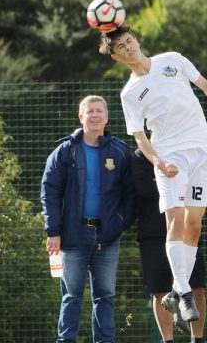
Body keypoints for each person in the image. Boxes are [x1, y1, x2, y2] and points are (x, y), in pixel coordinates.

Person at [99, 25, 207, 324]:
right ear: (116, 57)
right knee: (176, 219)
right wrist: (158, 162)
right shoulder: (129, 93)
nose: (129, 47)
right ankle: (182, 290)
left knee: (194, 225)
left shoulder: (173, 59)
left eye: (130, 41)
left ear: (136, 40)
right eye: (122, 47)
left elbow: (206, 86)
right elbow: (139, 137)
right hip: (170, 157)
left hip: (200, 149)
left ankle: (177, 293)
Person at [40, 95, 136, 343]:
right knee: (71, 297)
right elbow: (49, 191)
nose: (95, 115)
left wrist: (119, 223)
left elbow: (131, 194)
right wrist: (53, 231)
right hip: (71, 238)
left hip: (107, 238)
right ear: (81, 117)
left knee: (104, 297)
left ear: (106, 117)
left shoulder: (120, 152)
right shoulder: (65, 151)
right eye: (89, 111)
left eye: (99, 111)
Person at [133, 148, 207, 343]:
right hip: (153, 234)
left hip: (186, 233)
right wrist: (177, 182)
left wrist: (176, 182)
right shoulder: (141, 156)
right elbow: (145, 189)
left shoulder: (187, 150)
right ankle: (168, 340)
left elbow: (195, 188)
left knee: (197, 286)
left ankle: (198, 339)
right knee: (160, 290)